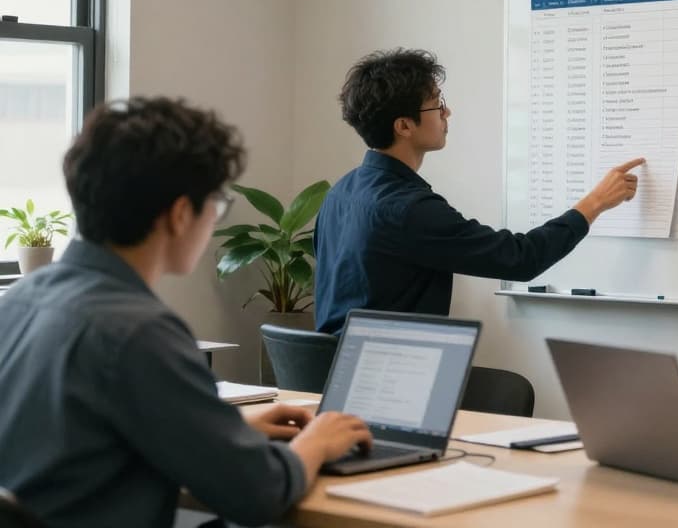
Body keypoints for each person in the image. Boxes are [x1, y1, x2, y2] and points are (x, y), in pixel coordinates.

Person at [0, 97, 373, 528]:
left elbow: (81, 436)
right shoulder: (139, 332)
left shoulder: (22, 299)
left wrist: (229, 429)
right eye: (215, 206)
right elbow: (259, 493)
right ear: (180, 214)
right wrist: (316, 442)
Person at [315, 48, 642, 333]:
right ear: (404, 126)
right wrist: (594, 203)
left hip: (334, 380)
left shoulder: (340, 193)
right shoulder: (408, 209)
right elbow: (519, 259)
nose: (447, 113)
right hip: (389, 381)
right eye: (436, 105)